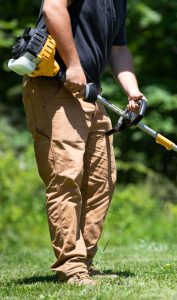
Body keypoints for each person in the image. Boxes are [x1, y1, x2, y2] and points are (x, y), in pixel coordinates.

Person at [22, 0, 143, 286]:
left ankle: (84, 263)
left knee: (101, 180)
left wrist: (133, 91)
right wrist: (74, 65)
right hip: (55, 85)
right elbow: (53, 7)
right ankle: (72, 267)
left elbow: (118, 49)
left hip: (88, 92)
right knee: (66, 177)